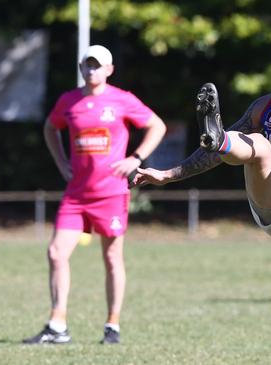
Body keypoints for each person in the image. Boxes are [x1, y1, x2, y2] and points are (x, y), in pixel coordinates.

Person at [133, 37, 271, 364]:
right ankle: (219, 135)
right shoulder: (265, 106)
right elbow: (213, 157)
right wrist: (169, 175)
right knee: (258, 146)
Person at [23, 45, 167, 344]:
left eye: (97, 65)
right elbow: (51, 128)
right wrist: (61, 162)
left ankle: (112, 325)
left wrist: (136, 158)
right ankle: (57, 325)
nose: (91, 70)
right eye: (87, 65)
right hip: (76, 194)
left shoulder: (122, 100)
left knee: (112, 256)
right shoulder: (69, 101)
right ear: (80, 68)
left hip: (111, 193)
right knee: (55, 252)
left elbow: (157, 125)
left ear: (109, 69)